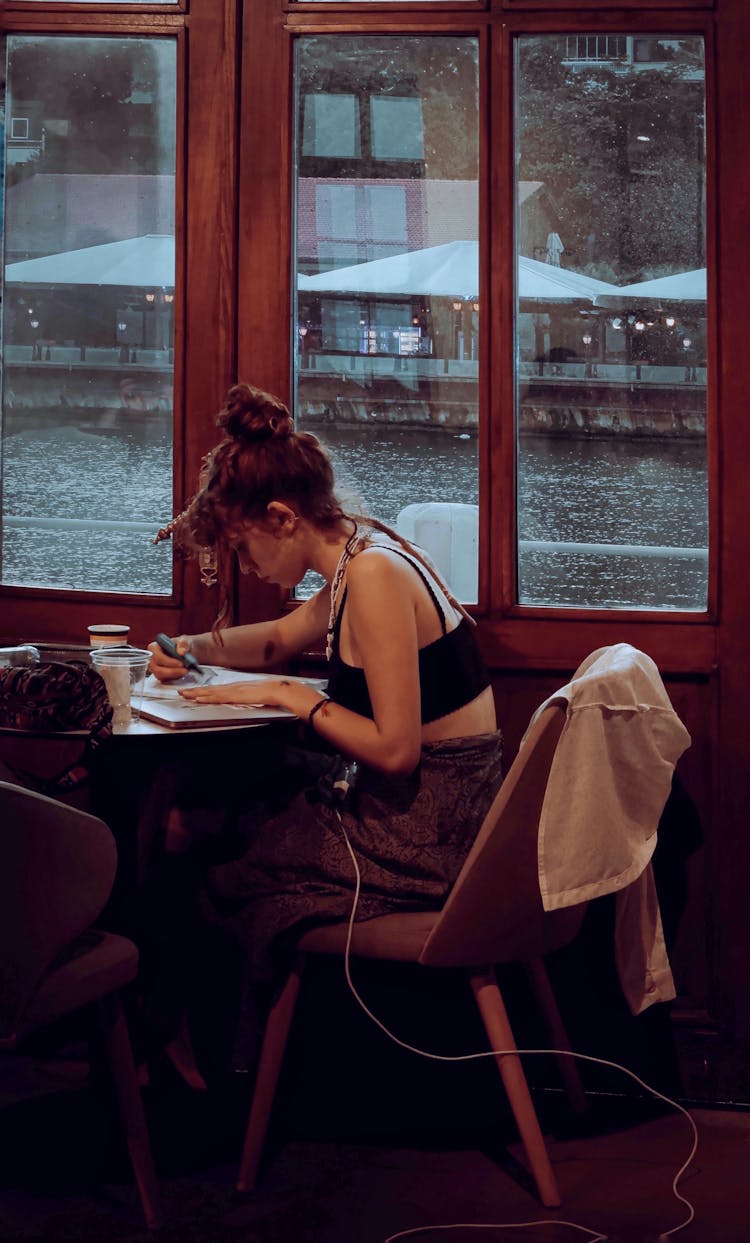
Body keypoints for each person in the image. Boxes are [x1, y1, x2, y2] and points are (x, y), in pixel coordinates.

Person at [148, 382, 503, 1064]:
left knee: (211, 846)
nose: (248, 567)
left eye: (246, 550)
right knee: (216, 805)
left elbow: (396, 750)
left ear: (282, 517)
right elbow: (282, 638)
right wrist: (187, 648)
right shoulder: (362, 554)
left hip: (429, 829)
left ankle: (196, 1052)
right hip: (443, 808)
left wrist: (285, 695)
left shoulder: (370, 577)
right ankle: (192, 1045)